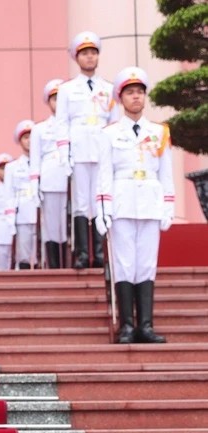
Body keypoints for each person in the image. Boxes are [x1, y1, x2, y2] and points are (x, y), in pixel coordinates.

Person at [95, 67, 173, 344]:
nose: (136, 97)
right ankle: (127, 325)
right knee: (125, 264)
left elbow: (166, 173)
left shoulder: (159, 132)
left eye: (140, 92)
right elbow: (103, 172)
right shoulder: (109, 133)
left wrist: (168, 206)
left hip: (150, 202)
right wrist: (101, 210)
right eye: (130, 92)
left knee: (146, 265)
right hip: (122, 202)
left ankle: (147, 326)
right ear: (120, 98)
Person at [55, 31, 120, 269]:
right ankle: (82, 253)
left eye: (93, 53)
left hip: (102, 150)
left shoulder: (109, 88)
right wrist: (64, 153)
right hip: (80, 151)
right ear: (77, 58)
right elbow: (62, 123)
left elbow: (114, 123)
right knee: (82, 204)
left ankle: (101, 253)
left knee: (100, 201)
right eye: (85, 53)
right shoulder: (67, 89)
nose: (90, 57)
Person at [31, 78, 70, 268]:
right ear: (49, 102)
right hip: (50, 181)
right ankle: (55, 266)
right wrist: (34, 186)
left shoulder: (73, 126)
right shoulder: (39, 129)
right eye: (54, 99)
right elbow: (35, 159)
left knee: (68, 226)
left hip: (72, 180)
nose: (58, 103)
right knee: (53, 227)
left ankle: (71, 262)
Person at [5, 120, 39, 269]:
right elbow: (9, 195)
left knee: (40, 254)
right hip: (23, 214)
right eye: (26, 138)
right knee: (24, 255)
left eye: (32, 137)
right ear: (20, 141)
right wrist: (10, 219)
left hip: (40, 213)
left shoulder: (44, 162)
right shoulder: (12, 167)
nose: (29, 141)